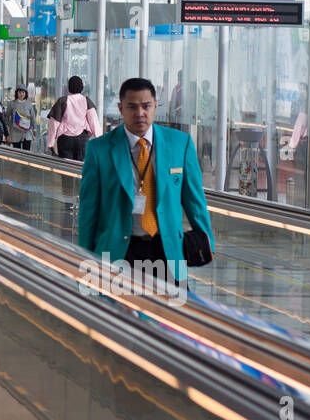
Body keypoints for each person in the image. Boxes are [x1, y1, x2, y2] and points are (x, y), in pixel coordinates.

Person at [78, 78, 214, 282]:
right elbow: (88, 211)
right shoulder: (99, 150)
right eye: (132, 107)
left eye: (146, 106)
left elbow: (195, 201)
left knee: (171, 311)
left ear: (155, 106)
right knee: (117, 312)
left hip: (167, 250)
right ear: (120, 108)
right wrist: (84, 258)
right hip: (119, 251)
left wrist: (207, 242)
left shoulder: (180, 144)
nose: (139, 113)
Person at [47, 75, 100, 161]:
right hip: (82, 139)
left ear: (69, 87)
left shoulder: (62, 101)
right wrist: (99, 140)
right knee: (81, 168)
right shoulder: (87, 101)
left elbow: (54, 123)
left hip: (65, 139)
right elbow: (94, 121)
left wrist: (51, 143)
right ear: (82, 87)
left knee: (67, 169)